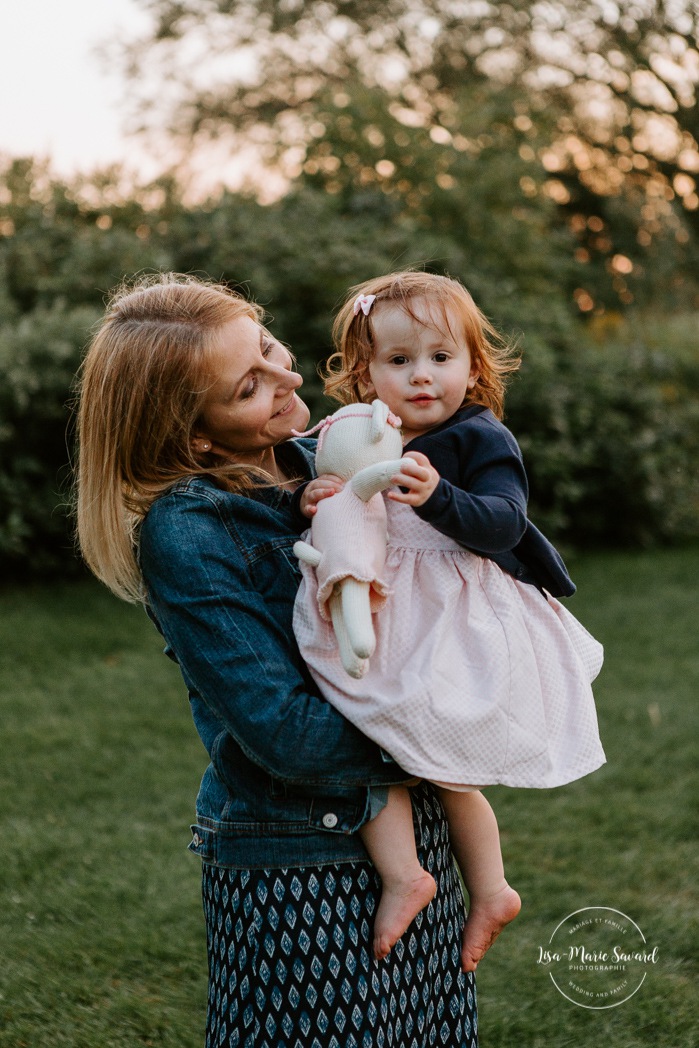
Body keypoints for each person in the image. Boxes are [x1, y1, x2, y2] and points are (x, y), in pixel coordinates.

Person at [75, 273, 478, 1048]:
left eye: (268, 349)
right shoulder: (186, 533)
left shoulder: (311, 455)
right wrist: (443, 730)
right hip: (301, 858)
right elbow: (283, 731)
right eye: (249, 385)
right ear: (195, 433)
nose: (290, 378)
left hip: (411, 820)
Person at [292, 270, 606, 972]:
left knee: (430, 750)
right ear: (365, 371)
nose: (421, 377)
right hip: (389, 606)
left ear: (473, 364)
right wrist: (322, 495)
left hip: (453, 611)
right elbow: (352, 502)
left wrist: (437, 496)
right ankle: (416, 875)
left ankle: (488, 885)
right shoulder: (365, 430)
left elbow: (502, 522)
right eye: (399, 361)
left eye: (440, 358)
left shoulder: (479, 435)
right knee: (370, 726)